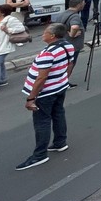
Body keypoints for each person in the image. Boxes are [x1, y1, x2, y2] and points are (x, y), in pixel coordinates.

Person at [16, 23, 74, 170]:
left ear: (52, 36)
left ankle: (39, 155)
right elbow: (70, 64)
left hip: (46, 93)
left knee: (42, 121)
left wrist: (31, 98)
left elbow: (41, 78)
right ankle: (60, 142)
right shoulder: (68, 46)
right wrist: (63, 79)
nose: (42, 34)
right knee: (58, 114)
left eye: (45, 33)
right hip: (59, 88)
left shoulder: (48, 53)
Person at [0, 4, 27, 95]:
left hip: (3, 46)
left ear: (2, 13)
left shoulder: (10, 19)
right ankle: (3, 80)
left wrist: (7, 29)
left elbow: (20, 28)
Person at [52, 0, 85, 84]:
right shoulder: (75, 16)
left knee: (61, 64)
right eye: (83, 3)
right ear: (78, 5)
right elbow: (74, 26)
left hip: (61, 43)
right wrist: (72, 34)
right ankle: (64, 83)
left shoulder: (62, 14)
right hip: (72, 45)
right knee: (70, 64)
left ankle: (58, 81)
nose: (84, 4)